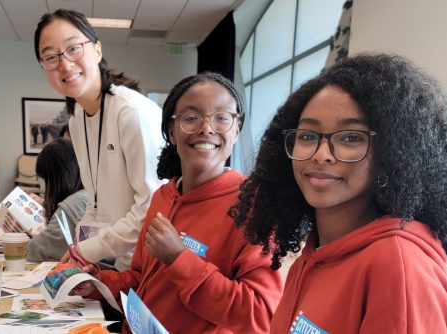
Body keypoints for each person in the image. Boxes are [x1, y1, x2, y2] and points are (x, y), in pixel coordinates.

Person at [231, 54, 447, 333]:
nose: (322, 154)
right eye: (307, 136)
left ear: (394, 152)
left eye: (351, 137)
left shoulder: (398, 266)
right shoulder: (315, 251)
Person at [72, 73, 283, 333]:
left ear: (237, 129)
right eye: (191, 118)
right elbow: (142, 278)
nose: (206, 128)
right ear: (172, 131)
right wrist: (102, 283)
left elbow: (260, 315)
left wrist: (179, 259)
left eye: (222, 118)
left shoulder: (253, 206)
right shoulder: (163, 196)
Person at [34, 9, 163, 270]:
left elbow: (151, 209)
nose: (65, 64)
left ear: (97, 50)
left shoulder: (132, 113)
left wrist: (86, 250)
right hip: (118, 265)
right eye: (50, 57)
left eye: (73, 49)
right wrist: (78, 255)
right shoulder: (78, 119)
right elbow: (95, 204)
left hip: (151, 264)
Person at [27, 138, 88, 262]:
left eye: (46, 180)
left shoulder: (68, 208)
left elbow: (37, 250)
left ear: (55, 179)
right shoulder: (86, 195)